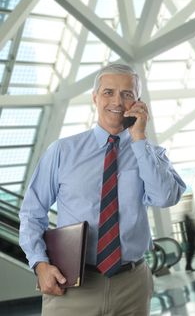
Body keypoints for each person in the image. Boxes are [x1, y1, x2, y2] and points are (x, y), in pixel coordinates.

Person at [19, 63, 186, 316]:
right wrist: (40, 264)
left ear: (137, 102)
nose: (117, 101)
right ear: (95, 98)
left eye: (127, 94)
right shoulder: (63, 151)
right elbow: (32, 212)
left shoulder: (151, 154)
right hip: (72, 284)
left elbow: (165, 197)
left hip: (132, 285)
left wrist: (139, 139)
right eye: (108, 92)